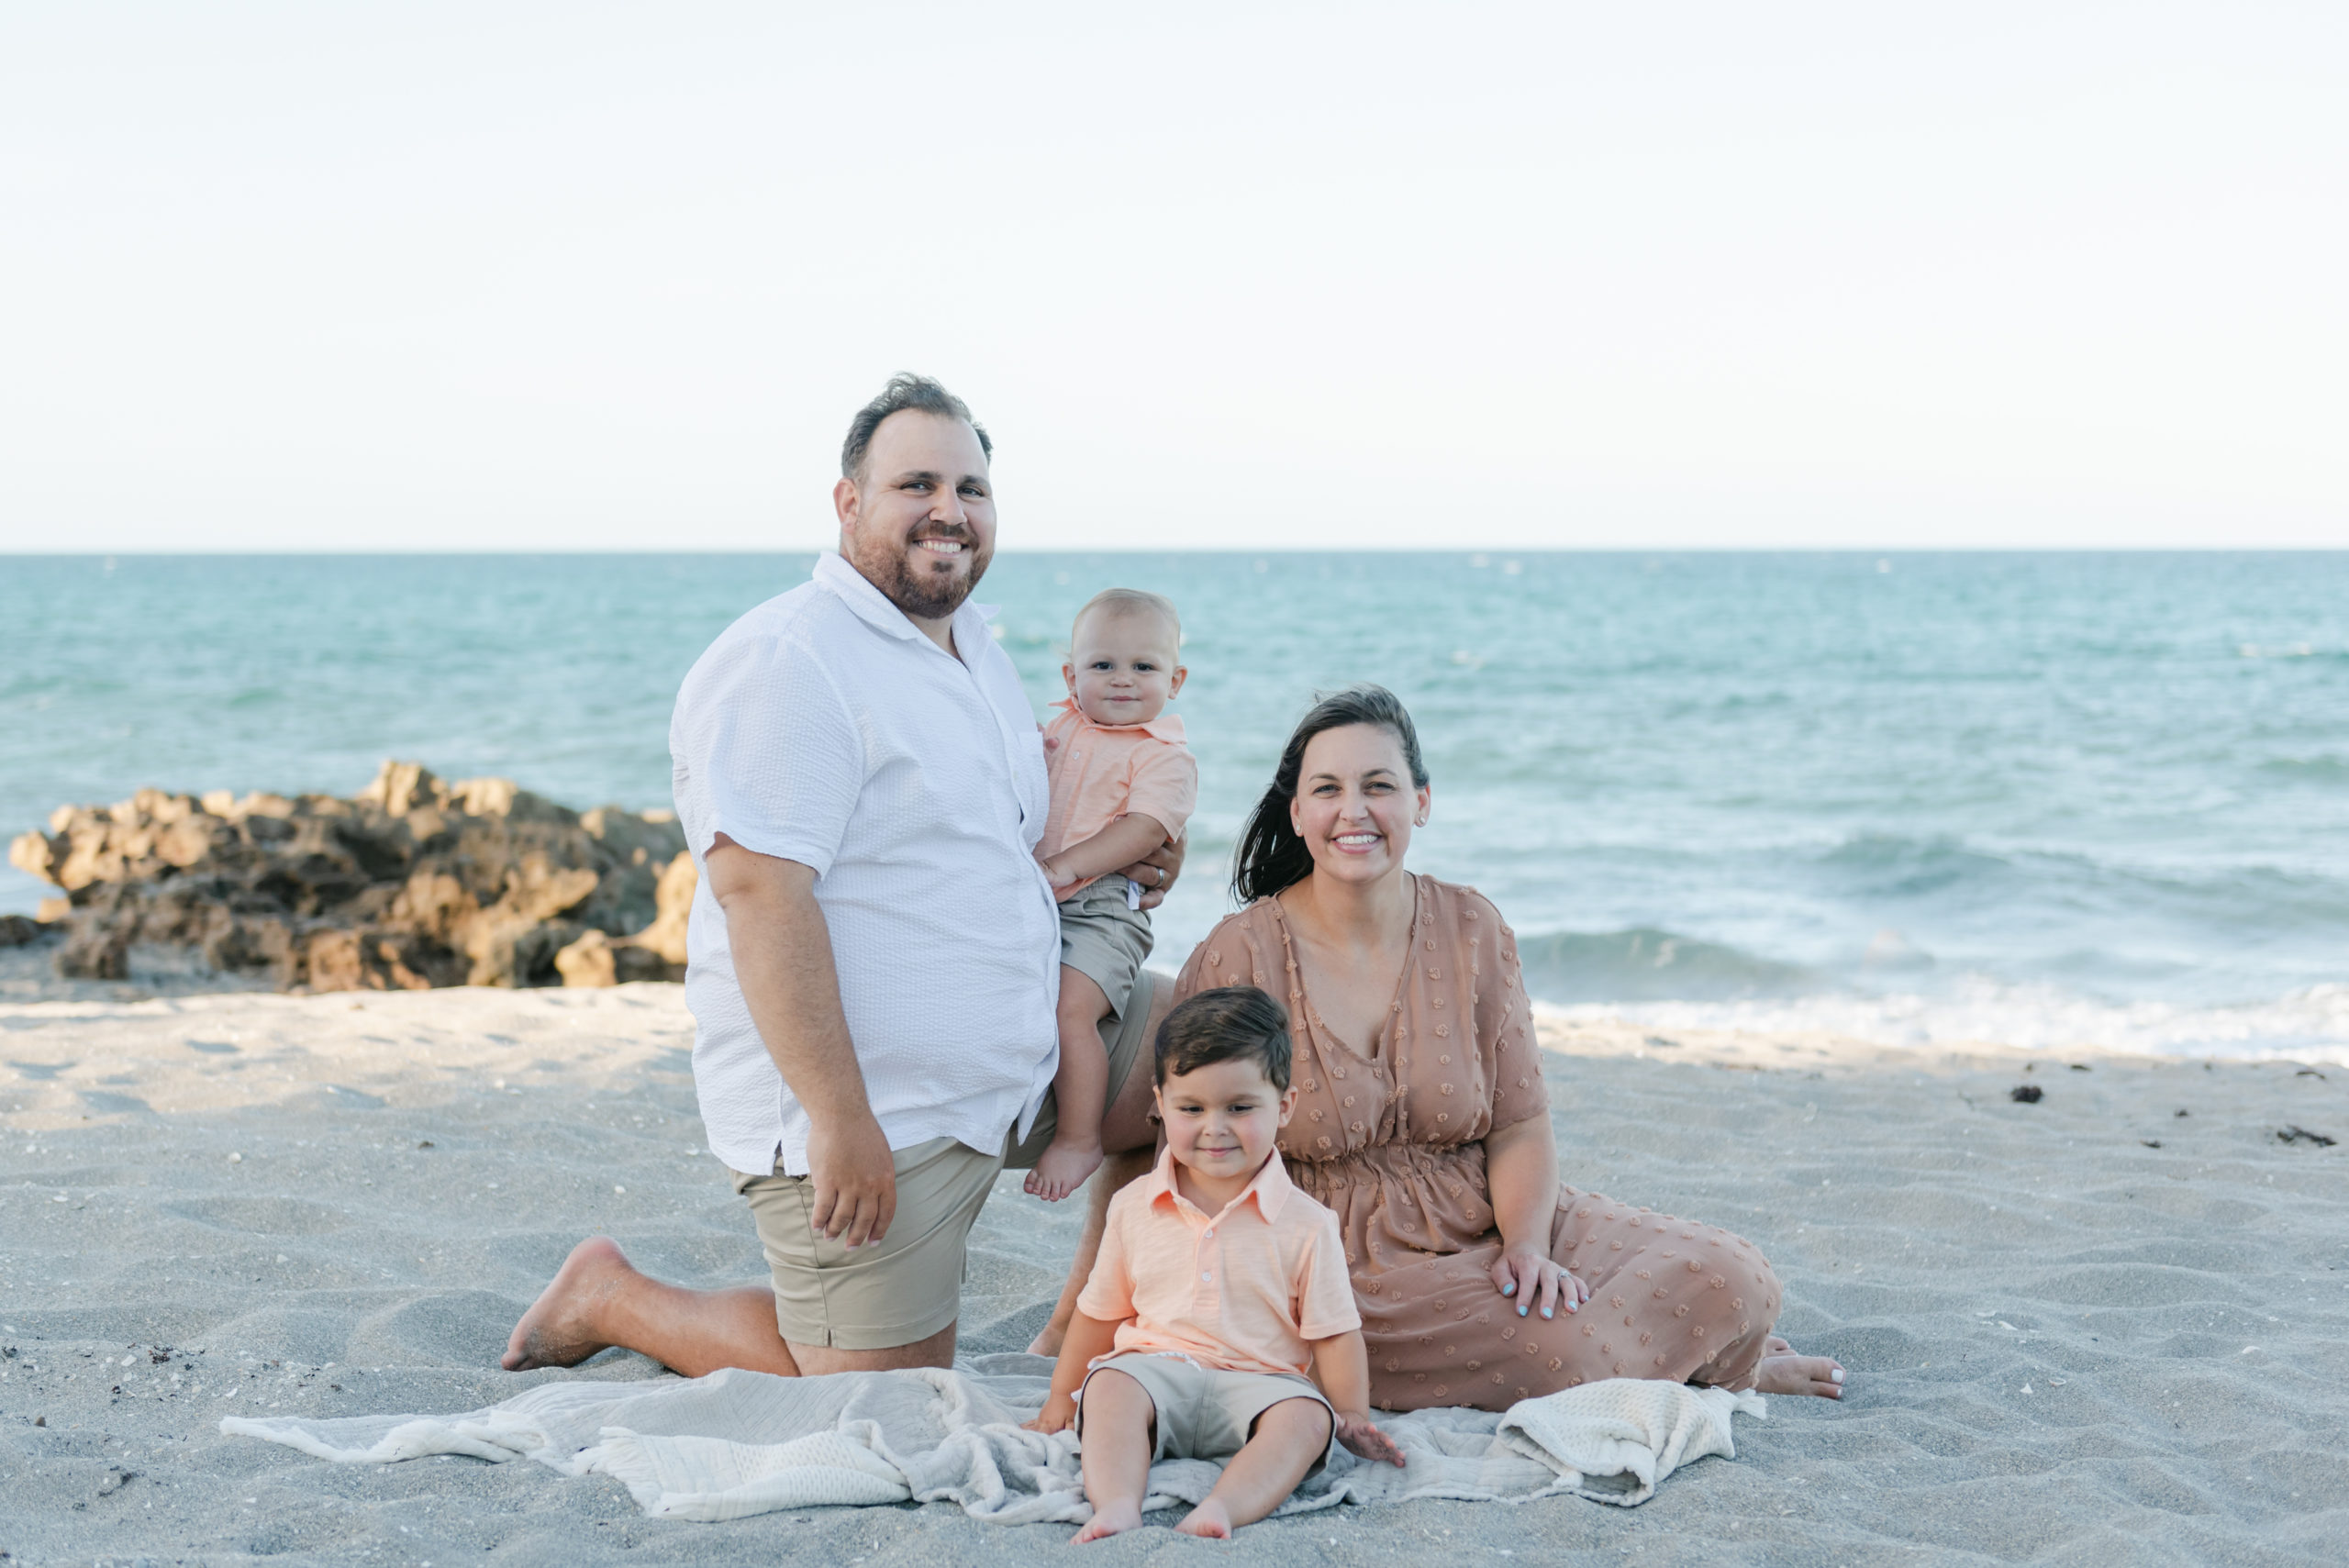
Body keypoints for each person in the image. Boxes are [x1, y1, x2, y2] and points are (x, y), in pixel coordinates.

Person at [500, 374, 1180, 1379]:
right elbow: (760, 899)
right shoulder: (790, 660)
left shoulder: (975, 652)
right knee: (878, 1392)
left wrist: (1146, 842)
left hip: (1022, 1049)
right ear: (848, 501)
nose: (950, 510)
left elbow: (999, 833)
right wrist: (840, 1118)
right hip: (882, 1110)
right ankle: (614, 1297)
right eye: (917, 483)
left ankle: (1082, 1320)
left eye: (972, 488)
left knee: (1225, 1045)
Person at [1036, 684, 1847, 1408]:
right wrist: (1101, 1305)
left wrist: (1528, 1246)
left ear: (1421, 801)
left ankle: (1696, 1356)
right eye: (1328, 789)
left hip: (1486, 1208)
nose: (1354, 810)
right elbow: (1184, 1143)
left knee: (1735, 1276)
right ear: (1297, 813)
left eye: (1379, 785)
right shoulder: (1241, 953)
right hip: (1334, 1256)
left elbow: (1520, 1125)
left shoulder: (1473, 928)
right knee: (1555, 1347)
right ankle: (1703, 1368)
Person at [1026, 986, 1405, 1541]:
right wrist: (1061, 1396)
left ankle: (1224, 1508)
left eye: (1240, 1107)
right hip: (1155, 1372)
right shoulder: (1134, 1206)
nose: (1215, 1127)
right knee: (1107, 1389)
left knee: (1306, 1418)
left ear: (1286, 1105)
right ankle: (1116, 1505)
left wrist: (1349, 1413)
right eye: (1192, 1108)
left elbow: (1334, 1333)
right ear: (1160, 1102)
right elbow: (1099, 1314)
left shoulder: (1307, 1223)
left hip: (1261, 1383)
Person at [1023, 589, 1199, 1204]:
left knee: (1072, 1010)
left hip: (1101, 908)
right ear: (1072, 675)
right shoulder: (1060, 729)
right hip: (1043, 891)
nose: (1123, 681)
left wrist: (1067, 864)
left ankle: (1077, 1137)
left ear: (1174, 679)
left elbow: (1146, 830)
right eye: (1103, 666)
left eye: (1144, 667)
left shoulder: (1164, 756)